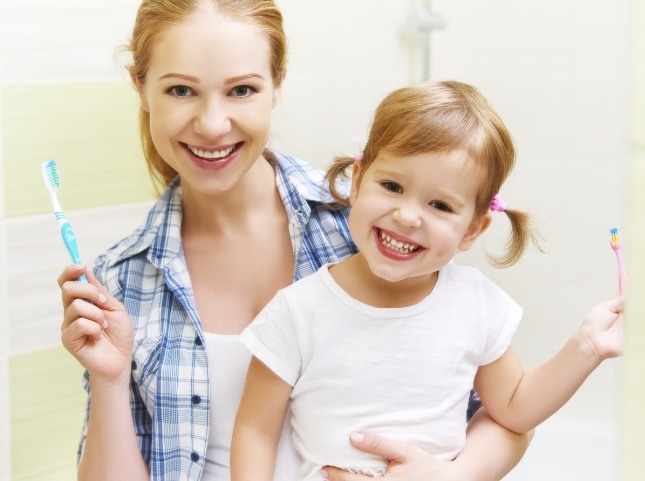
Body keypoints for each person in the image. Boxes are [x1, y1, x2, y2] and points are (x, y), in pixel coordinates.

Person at [57, 1, 534, 480]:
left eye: (241, 89)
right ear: (140, 86)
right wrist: (110, 377)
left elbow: (507, 412)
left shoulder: (374, 226)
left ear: (277, 83)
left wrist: (457, 474)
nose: (212, 123)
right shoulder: (122, 278)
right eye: (181, 90)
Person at [230, 80, 624, 480]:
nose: (407, 216)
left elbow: (515, 408)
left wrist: (587, 346)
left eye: (439, 205)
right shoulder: (297, 311)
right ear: (359, 177)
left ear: (473, 229)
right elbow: (255, 431)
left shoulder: (475, 305)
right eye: (392, 186)